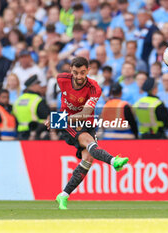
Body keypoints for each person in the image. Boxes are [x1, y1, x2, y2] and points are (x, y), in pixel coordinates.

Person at [46, 57, 129, 210]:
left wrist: (57, 119)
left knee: (88, 158)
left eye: (83, 73)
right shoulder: (61, 79)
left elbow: (85, 114)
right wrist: (57, 119)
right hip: (69, 123)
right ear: (71, 70)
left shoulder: (94, 88)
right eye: (76, 72)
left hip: (85, 121)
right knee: (88, 142)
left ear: (88, 71)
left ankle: (63, 195)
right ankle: (113, 161)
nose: (79, 76)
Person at [13, 75, 50, 140]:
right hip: (36, 134)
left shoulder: (18, 100)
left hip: (20, 134)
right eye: (38, 84)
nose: (40, 86)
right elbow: (47, 117)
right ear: (33, 86)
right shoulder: (38, 100)